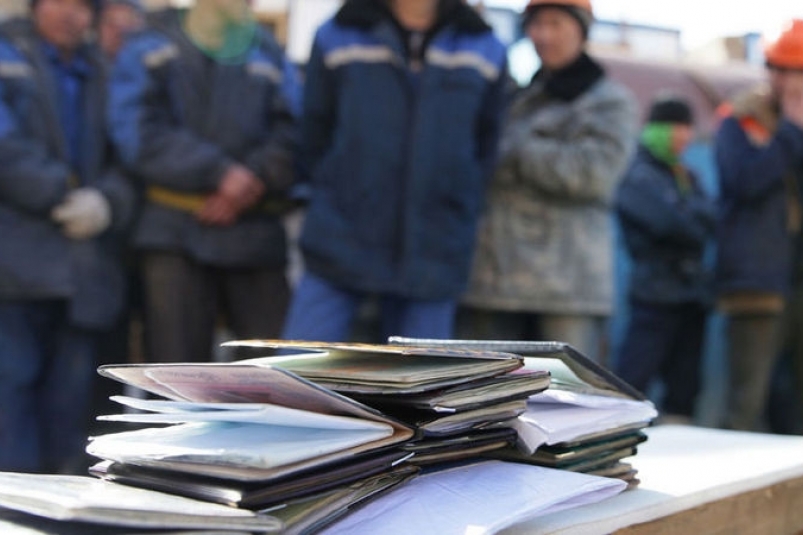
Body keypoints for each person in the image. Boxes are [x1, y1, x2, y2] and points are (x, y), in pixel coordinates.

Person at [280, 0, 508, 342]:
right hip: (339, 240)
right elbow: (313, 131)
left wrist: (459, 202)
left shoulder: (484, 46)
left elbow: (487, 145)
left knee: (425, 374)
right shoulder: (338, 34)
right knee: (297, 367)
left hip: (435, 250)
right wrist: (336, 190)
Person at [108, 0, 299, 363]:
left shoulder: (268, 50)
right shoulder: (151, 45)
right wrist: (219, 173)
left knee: (277, 371)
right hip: (175, 233)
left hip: (256, 235)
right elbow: (136, 132)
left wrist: (251, 179)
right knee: (176, 374)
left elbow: (296, 131)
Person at [460, 0, 638, 363]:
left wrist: (515, 148)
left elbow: (593, 173)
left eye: (556, 24)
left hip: (567, 289)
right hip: (496, 282)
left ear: (581, 30)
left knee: (567, 393)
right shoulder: (516, 98)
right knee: (482, 393)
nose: (543, 35)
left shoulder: (609, 101)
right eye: (537, 24)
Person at [0, 0, 133, 472]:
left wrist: (108, 201)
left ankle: (61, 500)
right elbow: (5, 148)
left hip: (83, 267)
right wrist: (63, 191)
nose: (70, 14)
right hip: (15, 262)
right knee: (11, 394)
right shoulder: (6, 55)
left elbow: (129, 153)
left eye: (81, 5)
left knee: (71, 404)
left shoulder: (103, 71)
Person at [715, 19, 803, 432]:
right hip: (758, 286)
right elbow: (742, 183)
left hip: (798, 283)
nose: (789, 81)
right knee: (746, 404)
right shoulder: (740, 119)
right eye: (781, 69)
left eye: (796, 71)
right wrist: (789, 129)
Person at [613, 95, 716, 422]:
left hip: (691, 295)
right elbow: (670, 223)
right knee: (632, 382)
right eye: (676, 127)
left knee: (685, 388)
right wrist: (689, 216)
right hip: (654, 296)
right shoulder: (639, 175)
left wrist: (686, 214)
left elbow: (710, 219)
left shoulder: (686, 174)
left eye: (687, 127)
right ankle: (620, 434)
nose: (684, 135)